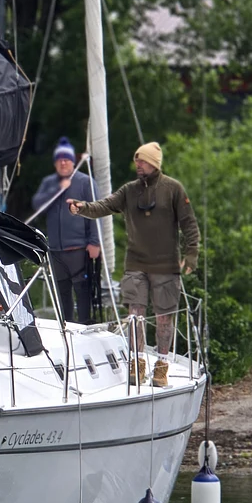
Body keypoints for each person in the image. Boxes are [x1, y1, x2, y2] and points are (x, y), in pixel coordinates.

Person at [67, 142, 200, 388]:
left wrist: (191, 255)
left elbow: (189, 224)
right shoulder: (129, 191)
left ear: (154, 163)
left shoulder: (174, 189)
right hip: (136, 263)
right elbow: (104, 205)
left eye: (142, 161)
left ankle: (161, 366)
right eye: (137, 161)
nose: (138, 165)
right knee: (135, 316)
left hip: (166, 266)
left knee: (164, 318)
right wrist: (82, 208)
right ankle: (137, 363)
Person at [31, 137, 101, 324]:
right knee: (62, 293)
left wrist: (94, 242)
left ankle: (84, 325)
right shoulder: (49, 183)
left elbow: (96, 212)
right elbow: (37, 205)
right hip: (56, 250)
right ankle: (66, 327)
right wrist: (57, 190)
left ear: (73, 161)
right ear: (55, 163)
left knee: (83, 291)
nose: (63, 162)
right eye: (60, 159)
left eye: (67, 159)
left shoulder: (86, 182)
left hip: (78, 249)